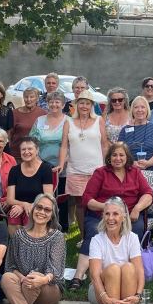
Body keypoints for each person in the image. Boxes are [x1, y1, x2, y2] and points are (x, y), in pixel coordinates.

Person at [71, 142, 153, 290]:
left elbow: (148, 193)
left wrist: (137, 208)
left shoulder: (135, 172)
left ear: (127, 157)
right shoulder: (100, 173)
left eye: (121, 155)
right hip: (101, 215)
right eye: (114, 155)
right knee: (93, 232)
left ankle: (129, 273)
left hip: (128, 216)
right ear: (109, 158)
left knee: (136, 229)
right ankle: (78, 276)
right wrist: (108, 209)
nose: (118, 158)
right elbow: (87, 199)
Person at [0, 192, 65, 304]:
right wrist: (22, 278)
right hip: (24, 285)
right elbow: (10, 266)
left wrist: (42, 280)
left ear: (52, 215)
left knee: (34, 277)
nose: (42, 212)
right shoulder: (19, 235)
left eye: (47, 210)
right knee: (6, 277)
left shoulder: (57, 237)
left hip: (49, 289)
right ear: (33, 209)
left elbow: (55, 271)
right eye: (39, 207)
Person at [87, 197, 144, 304]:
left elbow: (139, 270)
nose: (110, 218)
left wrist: (138, 295)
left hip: (126, 290)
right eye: (107, 214)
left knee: (129, 268)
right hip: (99, 291)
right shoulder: (97, 240)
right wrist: (105, 297)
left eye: (115, 214)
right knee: (113, 269)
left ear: (123, 216)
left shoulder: (132, 238)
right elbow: (94, 275)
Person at [61, 89, 108, 236]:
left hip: (97, 169)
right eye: (81, 103)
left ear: (92, 105)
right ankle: (84, 236)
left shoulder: (99, 120)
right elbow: (64, 146)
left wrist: (106, 165)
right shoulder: (68, 122)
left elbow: (104, 144)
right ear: (77, 104)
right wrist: (61, 164)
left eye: (87, 103)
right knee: (80, 204)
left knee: (98, 202)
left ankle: (100, 235)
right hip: (75, 169)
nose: (84, 106)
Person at [5, 137, 55, 235]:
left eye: (30, 149)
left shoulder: (45, 169)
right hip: (18, 206)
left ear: (37, 150)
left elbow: (48, 197)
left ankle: (33, 242)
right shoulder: (14, 170)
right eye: (23, 149)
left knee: (30, 215)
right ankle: (16, 243)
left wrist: (31, 206)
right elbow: (10, 200)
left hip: (39, 206)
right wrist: (24, 205)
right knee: (13, 215)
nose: (26, 152)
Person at [121, 95, 153, 174]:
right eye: (136, 107)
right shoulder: (125, 130)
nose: (140, 110)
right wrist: (131, 163)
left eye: (143, 107)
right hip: (130, 170)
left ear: (147, 110)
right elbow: (119, 151)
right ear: (132, 110)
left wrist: (149, 163)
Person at [30, 89, 67, 179]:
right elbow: (31, 143)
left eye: (57, 102)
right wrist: (39, 162)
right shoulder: (39, 120)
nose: (54, 104)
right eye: (51, 102)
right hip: (41, 166)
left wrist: (62, 163)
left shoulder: (69, 121)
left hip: (64, 167)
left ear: (63, 105)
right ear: (47, 104)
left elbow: (73, 146)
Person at [10, 87, 44, 158]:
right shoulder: (14, 113)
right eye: (26, 97)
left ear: (37, 98)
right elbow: (9, 135)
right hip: (17, 154)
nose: (28, 99)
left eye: (32, 97)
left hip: (36, 156)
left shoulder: (43, 114)